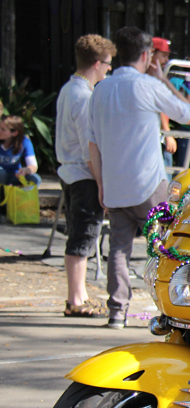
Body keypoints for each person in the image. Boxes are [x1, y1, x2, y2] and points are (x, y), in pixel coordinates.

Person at [88, 27, 190, 329]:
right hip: (148, 183)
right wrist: (162, 79)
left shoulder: (101, 90)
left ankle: (117, 312)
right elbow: (186, 113)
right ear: (147, 56)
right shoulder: (148, 85)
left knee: (118, 250)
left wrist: (100, 183)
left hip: (115, 183)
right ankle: (167, 310)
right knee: (161, 248)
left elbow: (92, 143)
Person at [55, 34, 116, 318]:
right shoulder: (83, 96)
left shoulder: (70, 89)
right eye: (107, 64)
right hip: (82, 174)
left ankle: (78, 295)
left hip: (69, 171)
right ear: (96, 63)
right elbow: (87, 147)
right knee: (82, 236)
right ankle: (75, 299)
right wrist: (102, 183)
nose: (109, 69)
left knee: (80, 235)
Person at [151, 37, 178, 171]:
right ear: (151, 54)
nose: (166, 61)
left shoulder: (158, 77)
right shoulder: (151, 80)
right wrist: (168, 134)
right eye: (163, 55)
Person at [0, 115, 40, 189]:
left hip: (16, 175)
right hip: (1, 176)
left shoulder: (24, 142)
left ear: (14, 133)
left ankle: (22, 198)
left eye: (3, 129)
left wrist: (25, 170)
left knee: (35, 178)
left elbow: (33, 166)